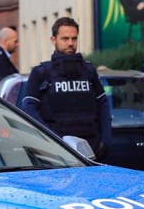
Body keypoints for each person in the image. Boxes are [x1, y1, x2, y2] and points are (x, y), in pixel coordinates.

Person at [22, 17, 112, 159]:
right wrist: (52, 140)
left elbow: (103, 105)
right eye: (65, 39)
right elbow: (29, 109)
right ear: (53, 40)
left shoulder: (88, 70)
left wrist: (106, 140)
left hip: (91, 149)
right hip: (57, 151)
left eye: (74, 39)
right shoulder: (41, 72)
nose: (70, 43)